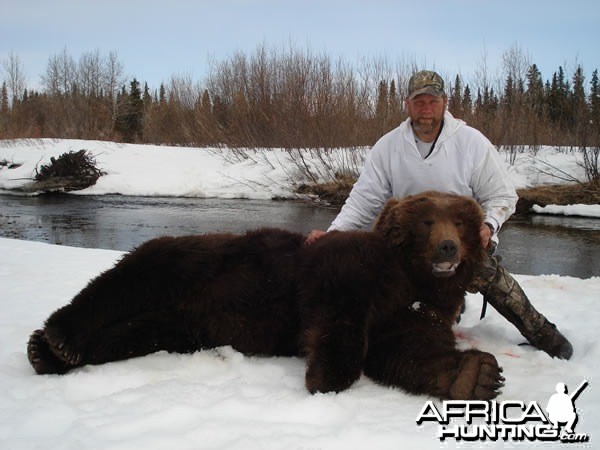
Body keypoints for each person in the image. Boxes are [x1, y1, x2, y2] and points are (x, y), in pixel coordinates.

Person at [307, 70, 573, 360]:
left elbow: (503, 196)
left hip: (458, 241)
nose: (426, 110)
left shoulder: (471, 143)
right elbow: (363, 203)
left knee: (487, 274)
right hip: (412, 247)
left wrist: (488, 225)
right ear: (407, 104)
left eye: (432, 101)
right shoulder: (388, 147)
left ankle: (542, 332)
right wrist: (332, 236)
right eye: (419, 102)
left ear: (445, 102)